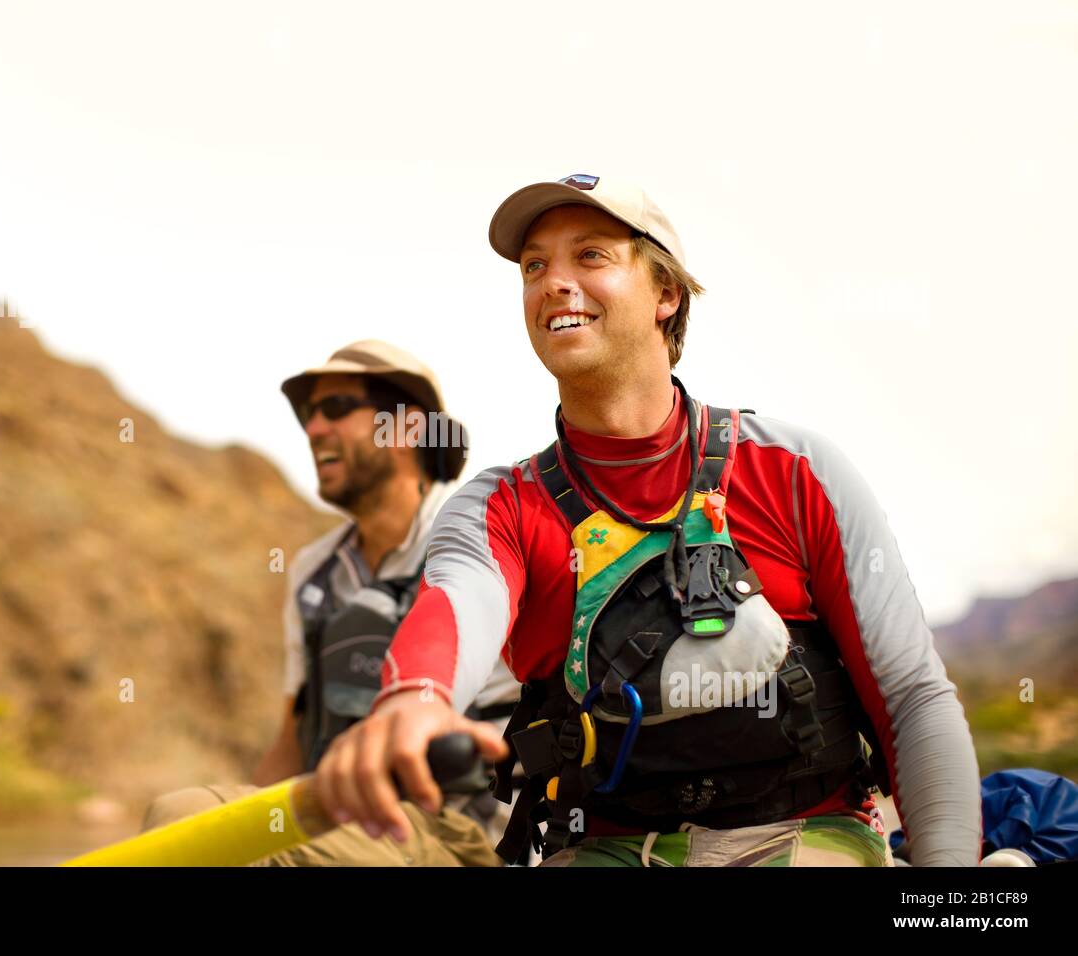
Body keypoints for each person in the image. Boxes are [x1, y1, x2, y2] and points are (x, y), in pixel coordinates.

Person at [313, 174, 983, 867]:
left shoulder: (797, 468)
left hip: (808, 838)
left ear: (666, 294)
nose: (553, 283)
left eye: (592, 256)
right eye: (534, 266)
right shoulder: (498, 507)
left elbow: (913, 700)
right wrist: (412, 703)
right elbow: (457, 604)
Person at [142, 339, 520, 866]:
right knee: (184, 821)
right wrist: (245, 823)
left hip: (460, 833)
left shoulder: (488, 539)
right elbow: (292, 742)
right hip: (338, 816)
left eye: (337, 408)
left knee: (213, 833)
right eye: (307, 415)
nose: (314, 428)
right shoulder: (311, 572)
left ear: (409, 427)